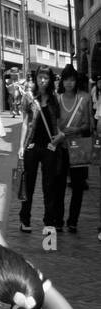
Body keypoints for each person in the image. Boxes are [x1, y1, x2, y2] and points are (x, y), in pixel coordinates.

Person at [18, 68, 66, 234]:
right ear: (36, 78)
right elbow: (24, 122)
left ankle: (49, 224)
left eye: (46, 78)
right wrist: (20, 146)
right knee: (28, 185)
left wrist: (60, 136)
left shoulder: (54, 99)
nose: (43, 80)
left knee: (49, 186)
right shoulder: (29, 97)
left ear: (50, 80)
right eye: (40, 77)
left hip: (49, 147)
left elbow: (58, 124)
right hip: (31, 146)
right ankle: (25, 219)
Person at [55, 64, 92, 235]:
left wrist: (76, 130)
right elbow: (52, 124)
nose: (69, 83)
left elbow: (87, 125)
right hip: (61, 148)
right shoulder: (57, 98)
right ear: (62, 81)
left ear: (76, 81)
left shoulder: (84, 98)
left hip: (78, 148)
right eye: (66, 80)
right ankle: (58, 220)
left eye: (72, 80)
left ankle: (73, 221)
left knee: (77, 186)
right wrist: (60, 134)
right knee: (59, 185)